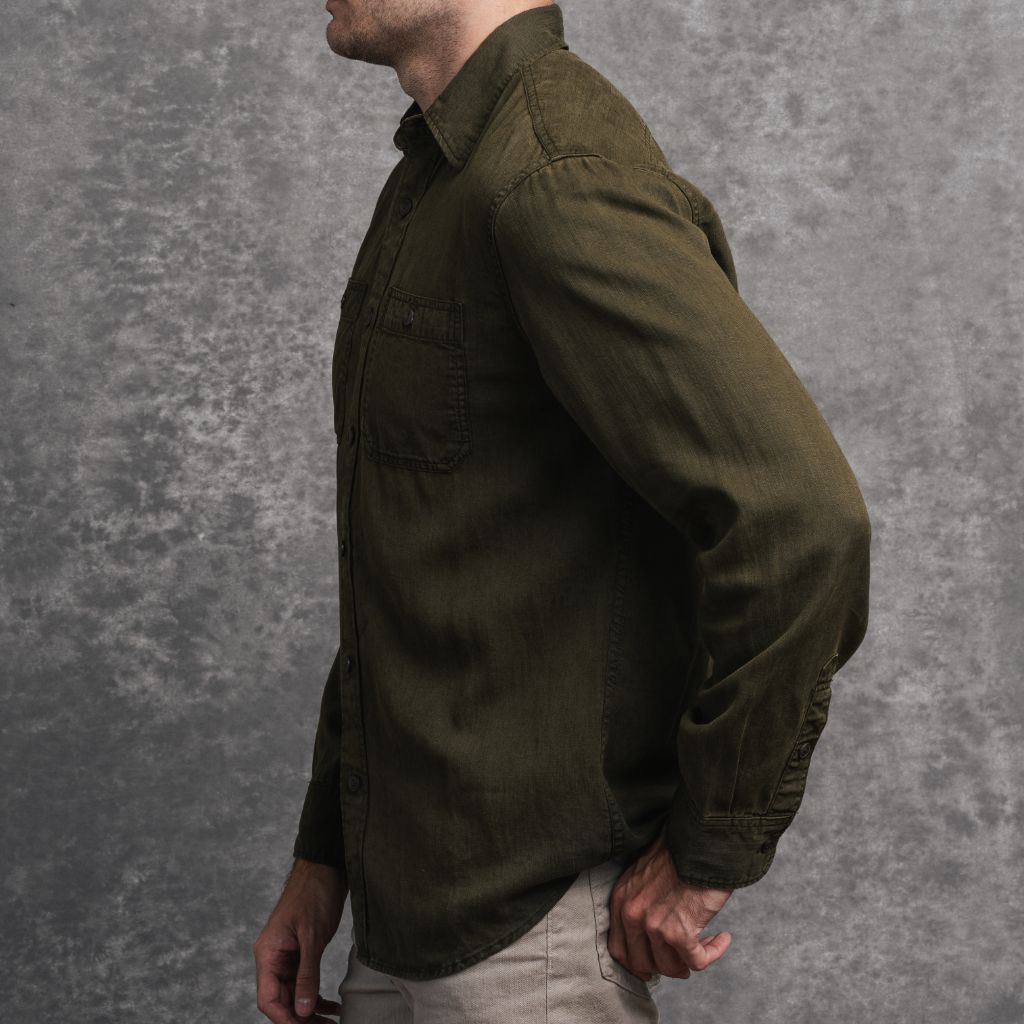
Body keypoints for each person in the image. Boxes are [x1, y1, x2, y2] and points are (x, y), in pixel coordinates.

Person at [253, 1, 872, 1021]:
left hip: (523, 947)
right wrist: (324, 856)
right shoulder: (435, 174)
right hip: (399, 920)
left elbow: (802, 523)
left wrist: (709, 849)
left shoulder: (553, 175)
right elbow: (409, 554)